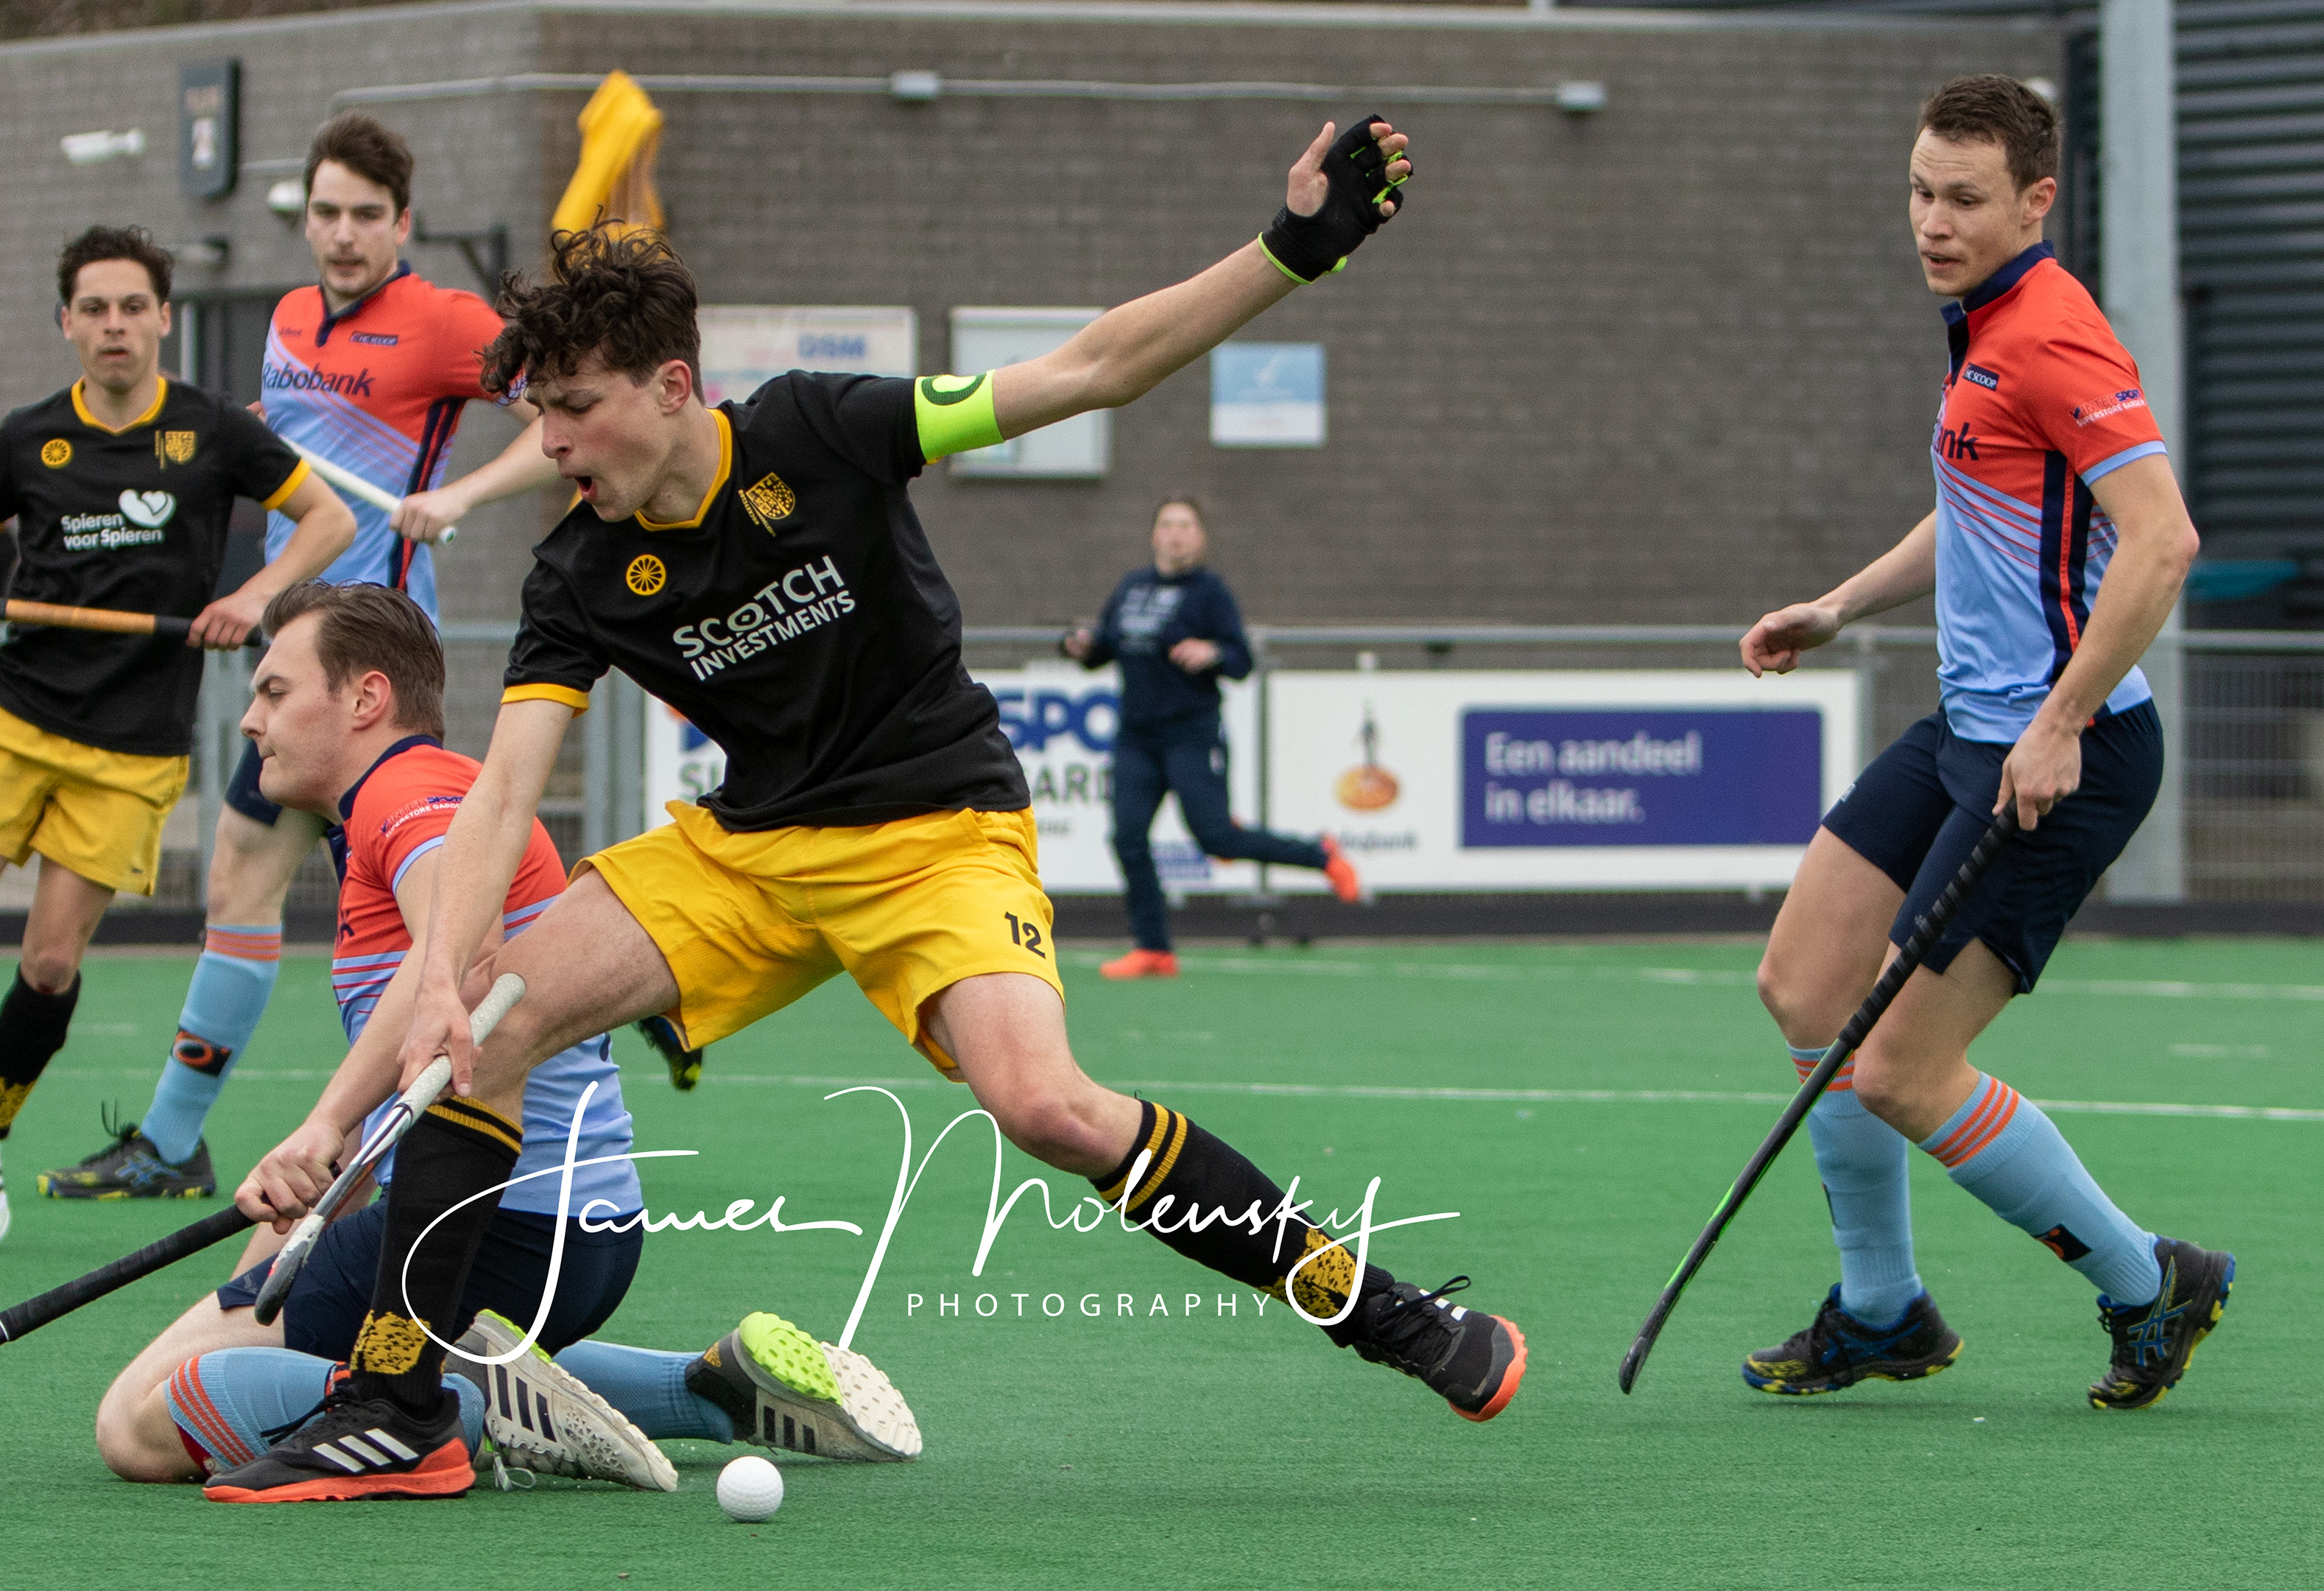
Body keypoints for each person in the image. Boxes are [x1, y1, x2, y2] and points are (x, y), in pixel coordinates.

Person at [216, 113, 1533, 1508]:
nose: (551, 442)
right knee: (484, 1032)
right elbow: (502, 799)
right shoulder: (580, 573)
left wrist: (1291, 252)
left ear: (672, 385)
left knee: (1051, 1110)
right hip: (750, 851)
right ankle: (396, 1407)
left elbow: (1091, 369)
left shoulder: (824, 430)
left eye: (576, 408)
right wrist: (439, 980)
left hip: (935, 831)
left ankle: (1379, 1309)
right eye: (538, 413)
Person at [86, 583, 918, 1495]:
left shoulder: (409, 789)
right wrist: (294, 1217)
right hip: (575, 1234)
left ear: (365, 700)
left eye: (275, 692)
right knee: (255, 1314)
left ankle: (446, 1406)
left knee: (138, 1423)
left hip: (494, 1228)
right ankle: (706, 1388)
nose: (251, 720)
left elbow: (464, 947)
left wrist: (323, 1122)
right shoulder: (402, 804)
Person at [1737, 76, 2229, 1411]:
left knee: (1902, 1070)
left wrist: (2062, 719)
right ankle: (1884, 1312)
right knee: (1804, 985)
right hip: (1971, 730)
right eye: (1919, 191)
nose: (1932, 221)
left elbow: (2165, 540)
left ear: (2035, 201)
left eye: (1963, 198)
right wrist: (1841, 604)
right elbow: (1977, 498)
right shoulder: (1985, 330)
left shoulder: (2055, 335)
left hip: (2068, 756)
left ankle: (2152, 1283)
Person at [0, 225, 357, 1248]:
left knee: (52, 963)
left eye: (132, 307)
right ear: (67, 322)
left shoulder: (212, 431)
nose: (114, 326)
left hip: (135, 742)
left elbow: (328, 521)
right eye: (94, 308)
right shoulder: (29, 438)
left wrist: (255, 597)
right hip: (16, 714)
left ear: (163, 318)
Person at [42, 112, 559, 1200]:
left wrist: (460, 494)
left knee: (418, 912)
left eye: (366, 215)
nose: (343, 234)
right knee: (256, 876)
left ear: (402, 223)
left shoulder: (442, 321)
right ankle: (186, 1141)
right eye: (326, 212)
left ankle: (448, 1134)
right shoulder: (287, 318)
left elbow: (562, 418)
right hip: (299, 652)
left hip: (375, 671)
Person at [1063, 494, 1359, 978]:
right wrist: (1079, 646)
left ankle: (1320, 855)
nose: (1176, 534)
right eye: (1168, 524)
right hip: (1137, 738)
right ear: (1154, 534)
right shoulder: (1132, 587)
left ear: (1200, 537)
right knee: (1128, 838)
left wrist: (1212, 652)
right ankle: (1154, 948)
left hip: (1191, 734)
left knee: (1216, 838)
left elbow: (1241, 662)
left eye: (1186, 525)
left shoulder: (1209, 592)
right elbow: (1104, 649)